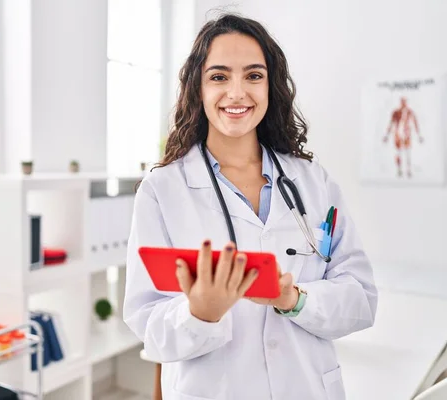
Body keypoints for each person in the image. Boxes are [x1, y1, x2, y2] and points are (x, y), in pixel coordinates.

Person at [123, 13, 377, 400]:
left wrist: (293, 299)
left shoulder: (312, 181)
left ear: (270, 86)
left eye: (254, 76)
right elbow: (147, 324)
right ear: (198, 89)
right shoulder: (162, 190)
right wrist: (200, 313)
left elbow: (361, 299)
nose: (237, 93)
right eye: (219, 77)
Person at [383, 96, 423, 178]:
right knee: (398, 153)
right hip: (398, 134)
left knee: (408, 153)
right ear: (400, 102)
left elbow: (415, 122)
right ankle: (399, 170)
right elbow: (391, 123)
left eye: (405, 102)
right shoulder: (395, 112)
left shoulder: (409, 112)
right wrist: (387, 135)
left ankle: (408, 170)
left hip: (406, 134)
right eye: (402, 101)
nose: (404, 103)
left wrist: (419, 135)